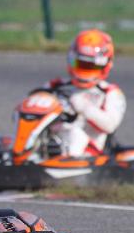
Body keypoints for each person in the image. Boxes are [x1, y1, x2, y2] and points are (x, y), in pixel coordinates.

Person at [43, 29, 126, 157]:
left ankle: (66, 165)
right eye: (80, 63)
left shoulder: (110, 92)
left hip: (88, 152)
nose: (85, 69)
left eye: (90, 65)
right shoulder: (55, 86)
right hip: (51, 141)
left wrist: (84, 108)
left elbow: (110, 126)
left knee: (75, 134)